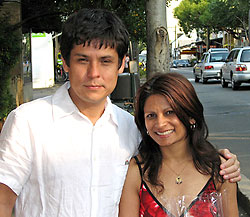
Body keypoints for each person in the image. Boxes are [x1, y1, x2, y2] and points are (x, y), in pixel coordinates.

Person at [0, 9, 240, 217]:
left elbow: (176, 159)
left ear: (122, 63)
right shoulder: (27, 123)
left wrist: (220, 161)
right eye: (83, 60)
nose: (94, 73)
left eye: (105, 61)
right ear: (65, 62)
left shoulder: (131, 128)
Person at [119, 72, 238, 217]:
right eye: (151, 115)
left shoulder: (220, 170)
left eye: (169, 112)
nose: (160, 123)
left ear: (191, 116)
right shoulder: (137, 170)